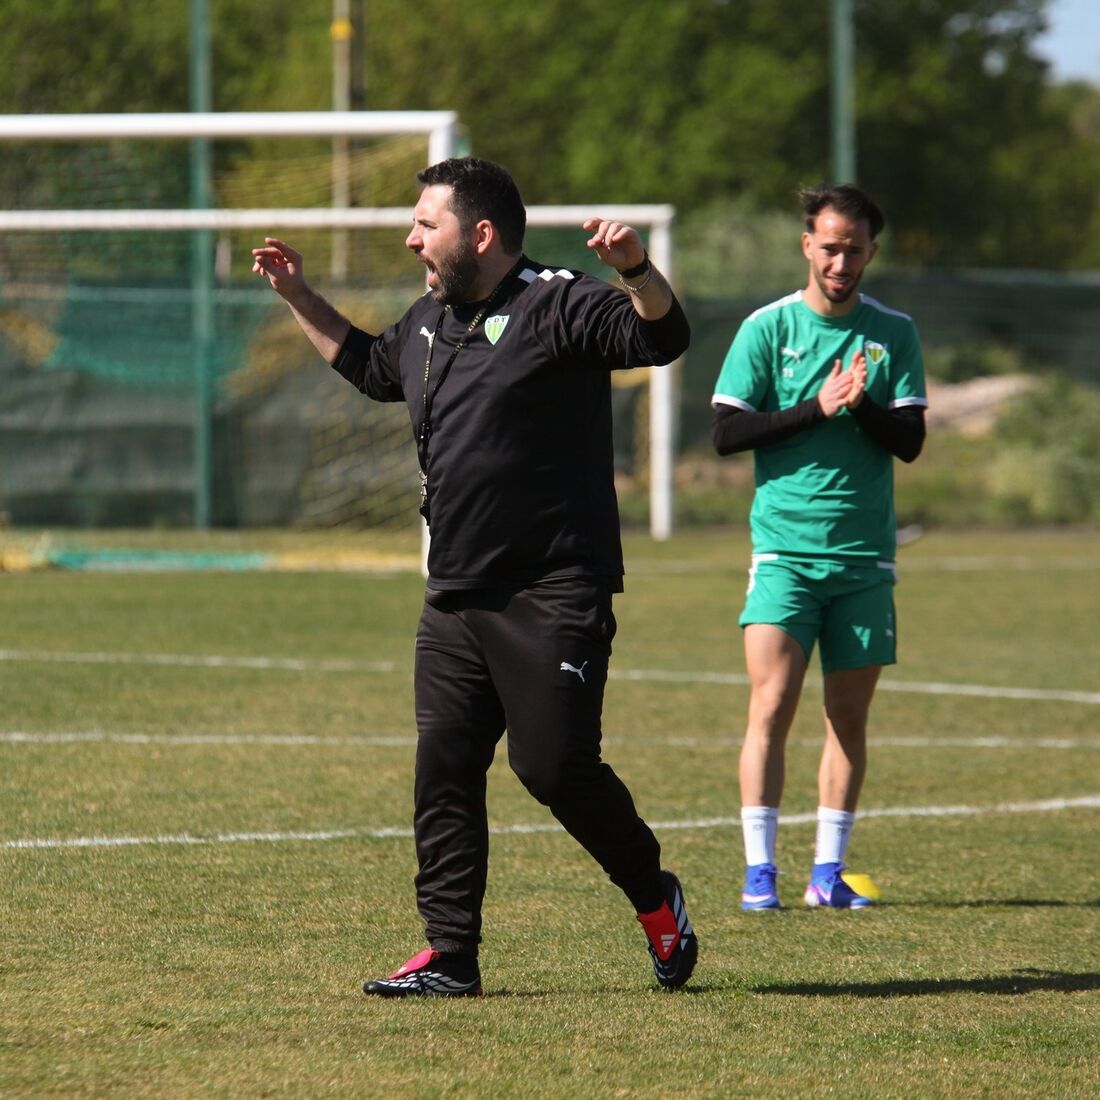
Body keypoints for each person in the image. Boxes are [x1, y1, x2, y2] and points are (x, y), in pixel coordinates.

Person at [252, 157, 697, 995]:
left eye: (427, 224)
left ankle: (654, 894)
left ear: (481, 234)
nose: (410, 237)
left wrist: (636, 271)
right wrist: (298, 295)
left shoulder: (557, 302)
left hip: (552, 591)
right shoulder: (430, 319)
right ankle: (450, 955)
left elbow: (662, 339)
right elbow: (372, 370)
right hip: (455, 595)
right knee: (445, 769)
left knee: (554, 769)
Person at [710, 183, 927, 911]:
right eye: (830, 247)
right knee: (771, 705)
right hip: (784, 554)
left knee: (848, 717)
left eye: (854, 250)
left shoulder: (893, 333)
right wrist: (818, 406)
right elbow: (727, 433)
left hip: (864, 559)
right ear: (808, 244)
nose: (840, 262)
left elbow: (910, 442)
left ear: (871, 253)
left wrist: (860, 404)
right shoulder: (767, 328)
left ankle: (826, 874)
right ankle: (760, 872)